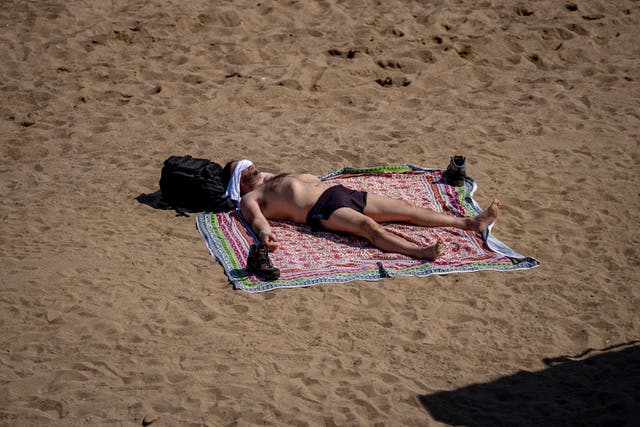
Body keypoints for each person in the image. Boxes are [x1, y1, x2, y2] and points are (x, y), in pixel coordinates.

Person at [222, 160, 500, 261]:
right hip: (321, 209)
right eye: (241, 168)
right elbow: (257, 220)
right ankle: (418, 252)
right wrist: (265, 235)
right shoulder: (251, 198)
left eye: (248, 162)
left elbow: (259, 173)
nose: (249, 166)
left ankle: (469, 223)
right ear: (238, 183)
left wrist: (260, 174)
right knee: (370, 228)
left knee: (406, 208)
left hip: (339, 192)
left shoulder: (270, 179)